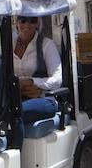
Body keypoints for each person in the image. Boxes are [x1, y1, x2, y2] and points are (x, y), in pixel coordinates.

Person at [12, 16, 64, 144]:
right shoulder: (9, 45)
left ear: (37, 23)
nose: (27, 24)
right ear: (16, 23)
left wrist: (32, 82)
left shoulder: (47, 45)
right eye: (23, 20)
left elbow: (57, 79)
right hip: (17, 97)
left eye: (32, 20)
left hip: (43, 98)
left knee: (15, 113)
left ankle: (16, 156)